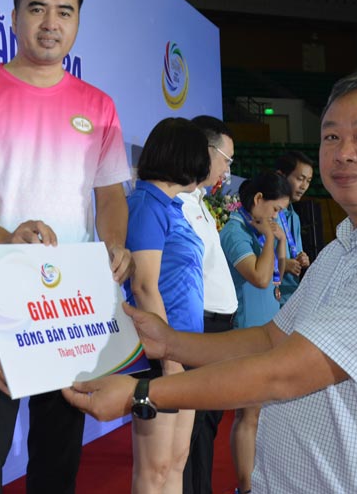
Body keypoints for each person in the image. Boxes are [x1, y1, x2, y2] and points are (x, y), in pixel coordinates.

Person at [63, 66, 357, 493]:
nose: (343, 153)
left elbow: (284, 373)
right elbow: (271, 339)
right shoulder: (347, 246)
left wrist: (143, 394)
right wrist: (170, 343)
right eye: (331, 137)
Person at [0, 0, 134, 494]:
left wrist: (113, 244)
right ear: (14, 14)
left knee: (57, 465)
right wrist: (7, 241)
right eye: (38, 9)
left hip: (66, 312)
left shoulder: (99, 106)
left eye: (65, 12)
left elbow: (111, 196)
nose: (51, 23)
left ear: (77, 22)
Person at [125, 117, 210, 494]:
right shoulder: (146, 204)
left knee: (176, 461)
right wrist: (169, 358)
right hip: (160, 353)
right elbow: (144, 285)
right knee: (155, 467)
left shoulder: (171, 205)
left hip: (185, 345)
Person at [218, 172, 292, 494]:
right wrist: (271, 239)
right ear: (258, 200)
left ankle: (258, 482)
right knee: (248, 416)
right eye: (275, 210)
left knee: (262, 417)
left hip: (268, 331)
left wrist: (280, 242)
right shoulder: (236, 230)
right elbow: (261, 278)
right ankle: (246, 488)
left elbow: (279, 271)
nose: (277, 218)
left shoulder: (258, 230)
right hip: (246, 331)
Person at [180, 117, 237, 494]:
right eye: (226, 159)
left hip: (219, 327)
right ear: (205, 151)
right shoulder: (178, 203)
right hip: (200, 327)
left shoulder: (200, 200)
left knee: (207, 426)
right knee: (194, 430)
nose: (228, 169)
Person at [274, 151, 315, 306]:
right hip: (269, 297)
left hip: (290, 298)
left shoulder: (294, 217)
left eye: (308, 181)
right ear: (281, 175)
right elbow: (255, 260)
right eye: (300, 179)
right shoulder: (267, 212)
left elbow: (295, 252)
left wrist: (302, 259)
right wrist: (284, 264)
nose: (304, 186)